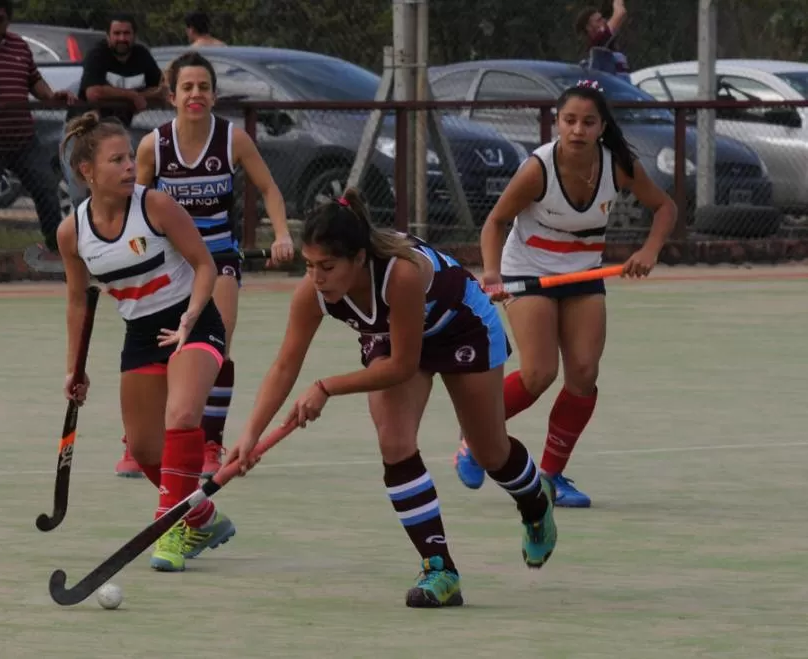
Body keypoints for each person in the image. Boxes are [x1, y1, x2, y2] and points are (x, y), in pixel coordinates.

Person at [227, 189, 558, 608]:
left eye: (328, 267)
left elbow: (403, 365)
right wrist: (250, 435)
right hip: (391, 335)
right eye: (310, 267)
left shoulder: (400, 274)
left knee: (490, 451)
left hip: (461, 323)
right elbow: (284, 366)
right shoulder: (313, 293)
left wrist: (326, 386)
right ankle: (440, 568)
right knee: (394, 441)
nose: (317, 278)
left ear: (359, 259)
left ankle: (534, 501)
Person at [453, 79, 676, 507]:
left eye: (588, 122)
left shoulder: (618, 165)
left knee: (584, 374)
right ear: (556, 123)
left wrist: (649, 250)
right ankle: (474, 437)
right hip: (527, 271)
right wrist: (494, 273)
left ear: (601, 127)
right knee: (539, 373)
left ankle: (550, 476)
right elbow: (495, 222)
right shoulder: (538, 169)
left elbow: (665, 207)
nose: (577, 130)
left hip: (582, 273)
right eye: (569, 120)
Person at [57, 111, 236, 572]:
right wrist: (74, 368)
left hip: (193, 322)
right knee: (142, 448)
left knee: (181, 415)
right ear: (87, 172)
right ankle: (201, 514)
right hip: (140, 333)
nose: (127, 167)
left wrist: (192, 315)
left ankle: (169, 525)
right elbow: (78, 302)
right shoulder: (72, 232)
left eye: (129, 157)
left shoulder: (156, 206)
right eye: (115, 160)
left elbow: (204, 265)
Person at [110, 50, 294, 479]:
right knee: (155, 348)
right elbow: (135, 208)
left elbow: (269, 190)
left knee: (216, 347)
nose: (196, 94)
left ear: (214, 95)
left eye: (204, 87)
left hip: (218, 257)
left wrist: (282, 234)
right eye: (187, 87)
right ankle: (137, 439)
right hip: (168, 262)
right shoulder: (153, 145)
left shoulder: (233, 140)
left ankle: (210, 441)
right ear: (171, 96)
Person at [0, 0, 77, 255]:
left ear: (7, 21)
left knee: (46, 189)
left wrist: (51, 96)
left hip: (22, 138)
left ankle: (58, 250)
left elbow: (34, 80)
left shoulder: (19, 46)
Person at [61, 13, 166, 212]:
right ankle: (80, 234)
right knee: (81, 188)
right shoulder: (98, 55)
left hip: (116, 132)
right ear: (108, 36)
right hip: (82, 130)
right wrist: (133, 96)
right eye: (116, 33)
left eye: (126, 33)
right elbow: (93, 93)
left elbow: (161, 90)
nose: (121, 38)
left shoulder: (142, 56)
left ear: (134, 35)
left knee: (120, 186)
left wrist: (137, 95)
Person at [576, 1, 630, 77]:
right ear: (589, 28)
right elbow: (620, 13)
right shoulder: (599, 41)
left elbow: (622, 16)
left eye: (602, 18)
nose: (604, 21)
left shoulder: (596, 45)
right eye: (599, 20)